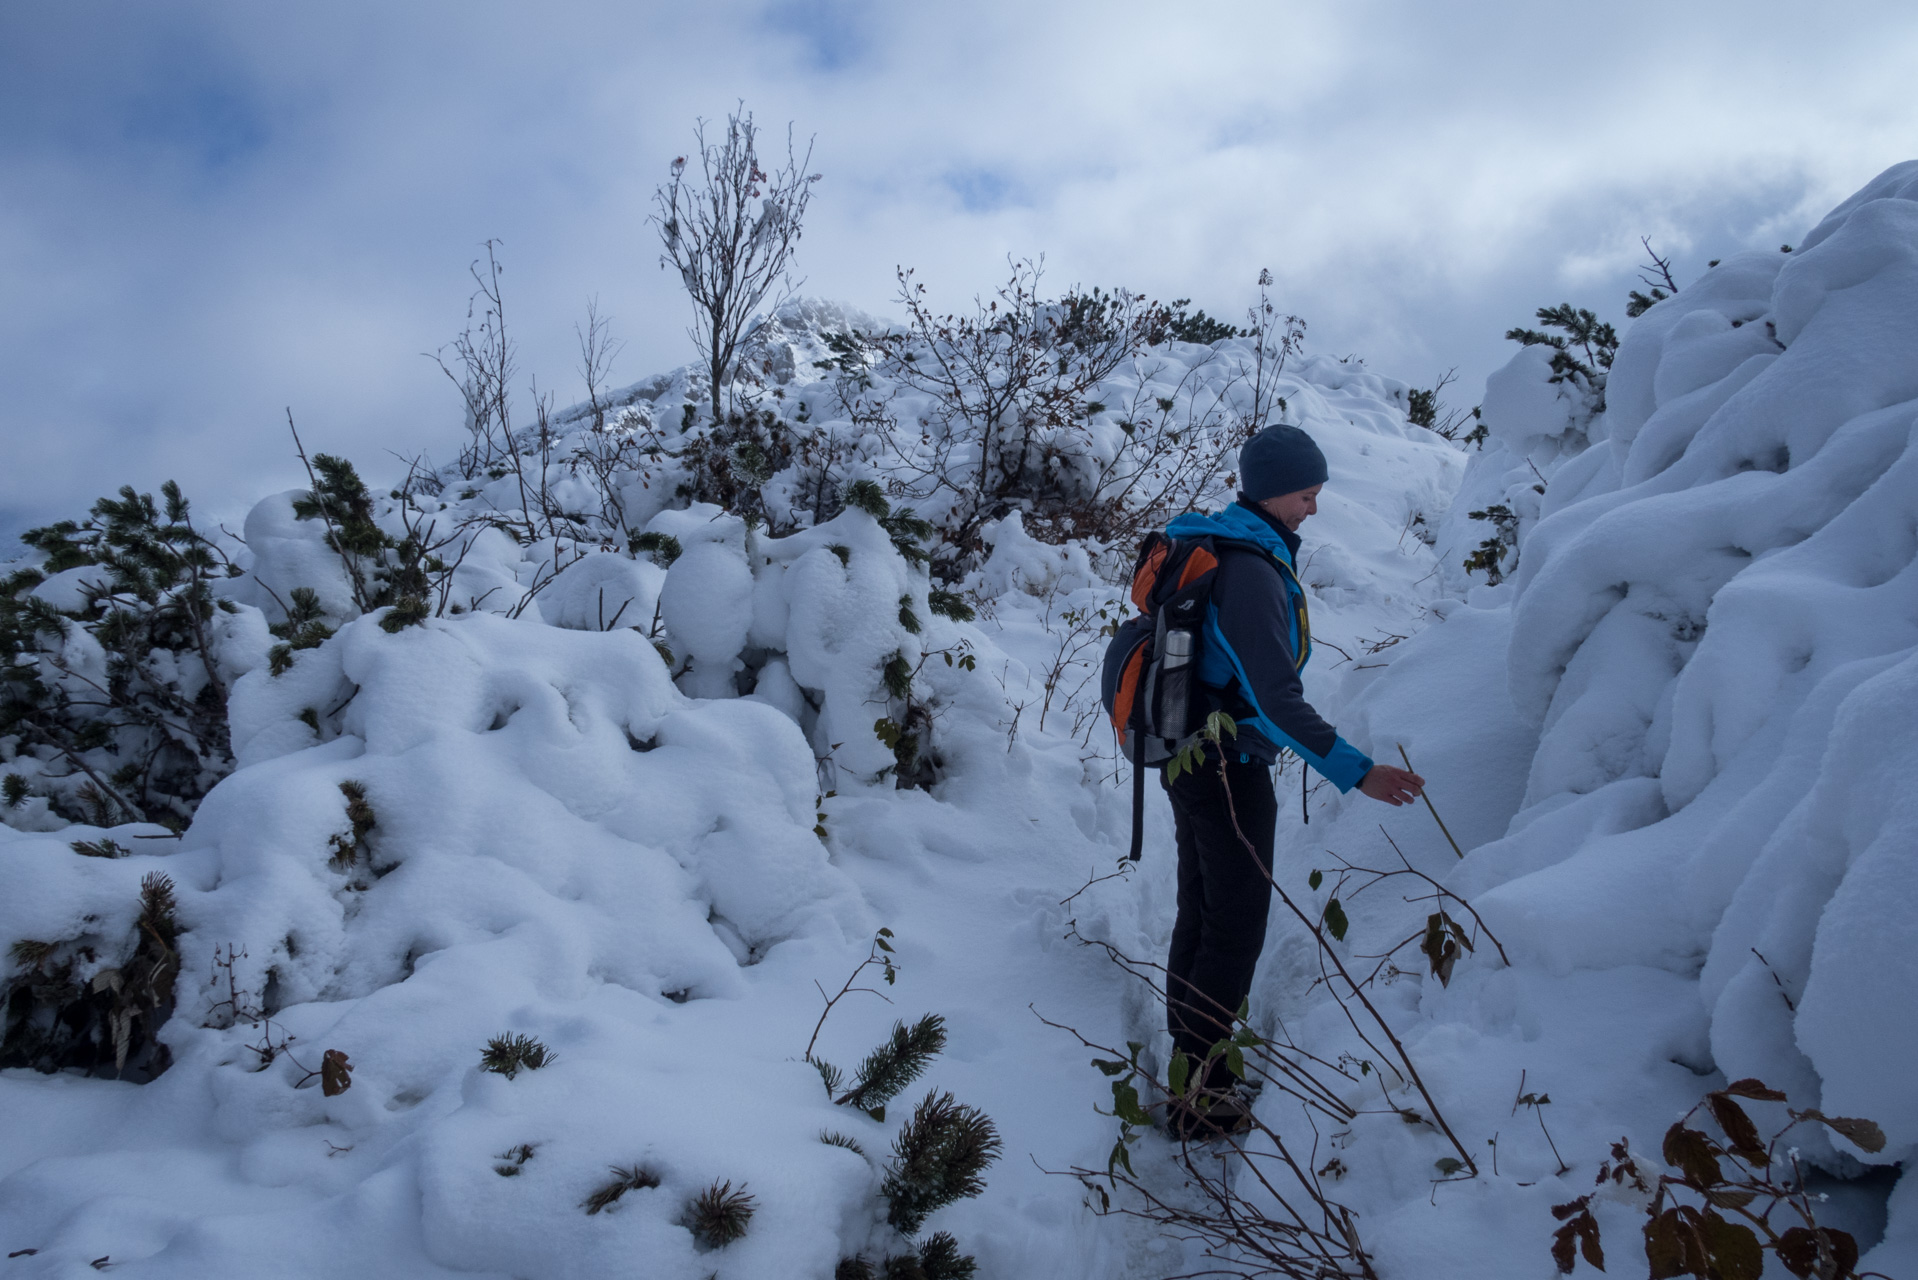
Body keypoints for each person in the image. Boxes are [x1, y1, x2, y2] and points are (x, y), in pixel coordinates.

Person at [1159, 423, 1423, 1135]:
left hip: (1192, 755)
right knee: (1234, 927)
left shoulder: (1231, 545)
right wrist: (1356, 772)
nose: (1314, 508)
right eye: (1308, 495)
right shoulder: (1249, 572)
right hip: (1225, 765)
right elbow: (1275, 699)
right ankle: (1204, 1100)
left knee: (1204, 913)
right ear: (1275, 491)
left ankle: (1188, 1076)